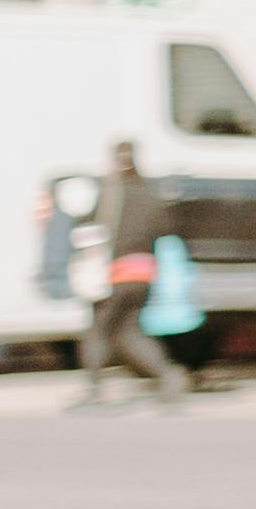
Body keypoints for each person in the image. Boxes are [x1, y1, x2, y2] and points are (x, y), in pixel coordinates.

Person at [72, 137, 194, 411]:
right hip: (144, 273)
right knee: (129, 331)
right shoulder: (150, 194)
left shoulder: (109, 194)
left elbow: (87, 229)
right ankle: (168, 374)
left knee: (98, 331)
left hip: (114, 272)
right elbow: (165, 230)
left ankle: (93, 389)